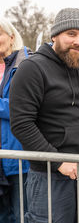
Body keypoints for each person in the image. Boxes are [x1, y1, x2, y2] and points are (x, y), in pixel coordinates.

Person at [9, 8, 79, 223]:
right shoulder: (32, 68)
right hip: (50, 177)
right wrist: (59, 162)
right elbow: (22, 123)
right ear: (55, 36)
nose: (78, 41)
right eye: (71, 34)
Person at [0, 18, 30, 223]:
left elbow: (20, 106)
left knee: (21, 214)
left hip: (17, 154)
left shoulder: (26, 65)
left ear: (11, 37)